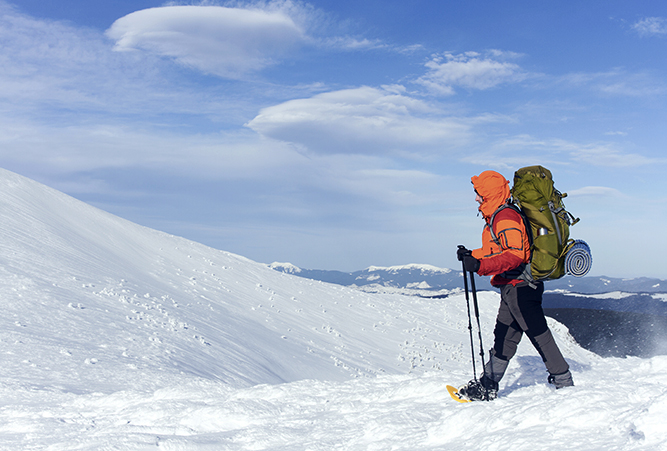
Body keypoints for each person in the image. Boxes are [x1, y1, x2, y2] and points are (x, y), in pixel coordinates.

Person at [457, 170, 574, 401]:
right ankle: (488, 383)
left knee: (538, 334)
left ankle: (564, 383)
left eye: (479, 194)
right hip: (513, 286)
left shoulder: (505, 217)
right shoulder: (501, 215)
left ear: (490, 194)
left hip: (521, 287)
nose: (476, 199)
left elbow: (515, 255)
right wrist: (473, 255)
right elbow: (498, 249)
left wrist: (480, 265)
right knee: (504, 336)